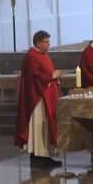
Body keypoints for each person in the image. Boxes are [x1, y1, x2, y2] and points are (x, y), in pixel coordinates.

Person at [14, 30, 61, 168]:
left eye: (48, 41)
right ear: (38, 43)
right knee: (39, 125)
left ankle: (45, 154)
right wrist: (52, 76)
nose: (48, 44)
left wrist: (54, 76)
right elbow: (34, 76)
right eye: (46, 42)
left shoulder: (43, 54)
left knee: (46, 125)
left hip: (46, 95)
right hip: (37, 98)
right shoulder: (31, 56)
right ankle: (37, 156)